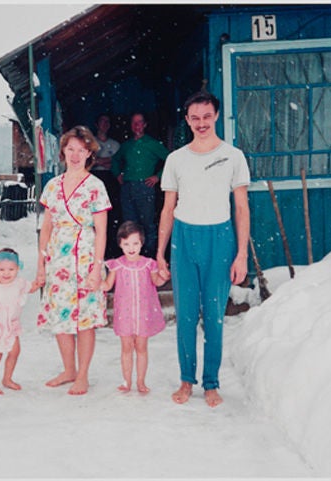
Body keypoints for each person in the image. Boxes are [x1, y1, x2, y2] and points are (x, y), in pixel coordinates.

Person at [157, 91, 250, 408]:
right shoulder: (176, 159)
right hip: (185, 239)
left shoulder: (233, 156)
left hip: (220, 239)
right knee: (185, 316)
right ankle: (186, 380)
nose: (201, 123)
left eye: (206, 117)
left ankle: (211, 383)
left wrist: (241, 254)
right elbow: (168, 209)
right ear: (187, 120)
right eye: (194, 118)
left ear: (216, 116)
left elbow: (241, 207)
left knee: (214, 316)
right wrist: (160, 252)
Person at [35, 125, 112, 396]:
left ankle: (83, 375)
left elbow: (101, 230)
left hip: (86, 255)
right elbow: (46, 227)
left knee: (85, 319)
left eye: (82, 150)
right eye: (71, 149)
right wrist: (41, 265)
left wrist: (96, 268)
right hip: (59, 257)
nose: (76, 155)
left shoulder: (95, 186)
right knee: (61, 315)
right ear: (63, 152)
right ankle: (68, 369)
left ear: (89, 153)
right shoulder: (52, 186)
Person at [101, 221, 168, 393]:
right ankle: (126, 381)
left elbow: (156, 282)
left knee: (141, 347)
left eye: (135, 243)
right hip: (125, 314)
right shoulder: (116, 265)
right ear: (120, 244)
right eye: (126, 244)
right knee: (126, 347)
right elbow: (107, 286)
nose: (131, 248)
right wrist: (95, 281)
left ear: (142, 243)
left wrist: (164, 275)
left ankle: (140, 382)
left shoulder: (148, 264)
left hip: (143, 314)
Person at [0, 248, 41, 395]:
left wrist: (40, 281)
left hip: (11, 325)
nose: (6, 273)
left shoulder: (19, 283)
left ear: (18, 268)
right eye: (1, 269)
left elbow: (32, 288)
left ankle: (7, 379)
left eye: (11, 269)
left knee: (15, 352)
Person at [111, 112, 169, 257]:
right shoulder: (127, 145)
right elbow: (115, 160)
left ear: (145, 125)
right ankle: (132, 256)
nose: (137, 126)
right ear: (131, 126)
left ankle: (149, 256)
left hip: (145, 187)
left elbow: (171, 159)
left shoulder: (152, 144)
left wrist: (158, 176)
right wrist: (118, 174)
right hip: (127, 187)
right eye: (134, 123)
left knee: (147, 223)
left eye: (140, 122)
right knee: (130, 223)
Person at [91, 114, 122, 259]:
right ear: (96, 124)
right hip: (94, 178)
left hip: (110, 180)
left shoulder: (115, 144)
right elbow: (90, 162)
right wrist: (104, 161)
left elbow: (115, 164)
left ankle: (110, 251)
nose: (105, 124)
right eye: (102, 121)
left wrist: (99, 160)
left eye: (107, 121)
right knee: (94, 215)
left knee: (110, 214)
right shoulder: (91, 143)